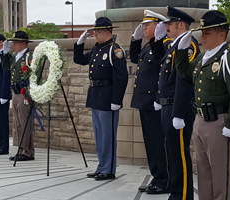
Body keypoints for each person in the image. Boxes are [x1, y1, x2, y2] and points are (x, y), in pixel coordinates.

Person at [174, 10, 230, 200]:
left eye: (207, 33)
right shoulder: (203, 58)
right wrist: (181, 51)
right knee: (204, 173)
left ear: (222, 34)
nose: (203, 37)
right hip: (200, 121)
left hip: (219, 123)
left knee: (219, 174)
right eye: (202, 32)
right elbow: (183, 72)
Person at [73, 17, 128, 180]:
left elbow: (121, 78)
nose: (95, 34)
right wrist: (79, 44)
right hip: (96, 96)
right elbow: (79, 59)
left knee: (107, 136)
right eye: (95, 31)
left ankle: (109, 169)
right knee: (99, 135)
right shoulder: (97, 50)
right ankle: (101, 166)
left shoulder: (115, 50)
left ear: (108, 32)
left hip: (107, 98)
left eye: (98, 31)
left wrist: (116, 101)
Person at [154, 6, 200, 200]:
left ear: (181, 25)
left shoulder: (188, 46)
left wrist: (179, 113)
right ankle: (176, 193)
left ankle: (182, 196)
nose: (166, 28)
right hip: (168, 105)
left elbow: (184, 81)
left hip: (177, 107)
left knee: (180, 155)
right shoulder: (174, 45)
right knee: (172, 154)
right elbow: (162, 69)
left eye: (169, 25)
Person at [129, 9, 171, 194]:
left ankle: (164, 180)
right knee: (150, 143)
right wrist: (135, 39)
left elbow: (161, 71)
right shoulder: (148, 45)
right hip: (144, 101)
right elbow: (133, 57)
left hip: (154, 101)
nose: (144, 28)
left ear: (159, 26)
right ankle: (156, 176)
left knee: (158, 142)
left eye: (147, 25)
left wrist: (157, 99)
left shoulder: (162, 45)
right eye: (143, 25)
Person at [1, 31, 35, 161]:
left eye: (16, 42)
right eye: (13, 42)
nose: (13, 45)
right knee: (18, 124)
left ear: (24, 43)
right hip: (15, 93)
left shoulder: (28, 56)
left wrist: (29, 93)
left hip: (23, 93)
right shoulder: (15, 56)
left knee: (25, 122)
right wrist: (4, 54)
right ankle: (21, 149)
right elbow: (5, 67)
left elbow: (33, 74)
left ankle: (27, 151)